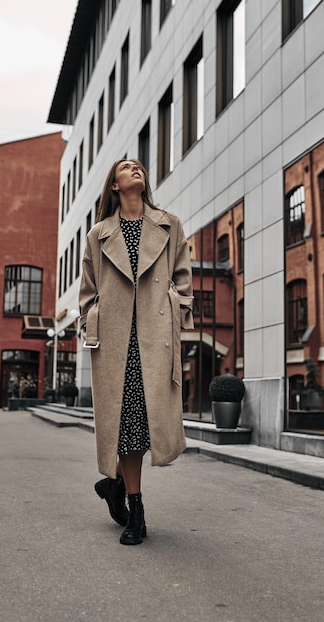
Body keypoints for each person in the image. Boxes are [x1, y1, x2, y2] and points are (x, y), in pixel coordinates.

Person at [79, 159, 193, 545]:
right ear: (114, 185)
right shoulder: (99, 234)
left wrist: (177, 310)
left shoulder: (168, 223)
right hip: (115, 341)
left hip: (154, 335)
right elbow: (87, 292)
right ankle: (136, 509)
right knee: (128, 425)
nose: (136, 169)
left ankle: (115, 486)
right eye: (126, 167)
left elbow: (183, 276)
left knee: (145, 422)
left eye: (139, 166)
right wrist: (92, 319)